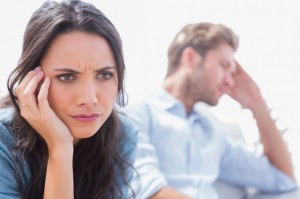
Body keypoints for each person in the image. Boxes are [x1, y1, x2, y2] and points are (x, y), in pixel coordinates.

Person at [125, 22, 297, 198]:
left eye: (232, 74)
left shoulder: (212, 133)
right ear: (191, 58)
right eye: (224, 66)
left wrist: (257, 104)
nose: (230, 82)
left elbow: (283, 179)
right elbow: (146, 192)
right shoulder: (136, 113)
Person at [0, 0, 138, 198]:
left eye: (105, 75)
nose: (89, 99)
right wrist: (60, 149)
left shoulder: (121, 135)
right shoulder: (3, 141)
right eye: (66, 77)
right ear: (32, 80)